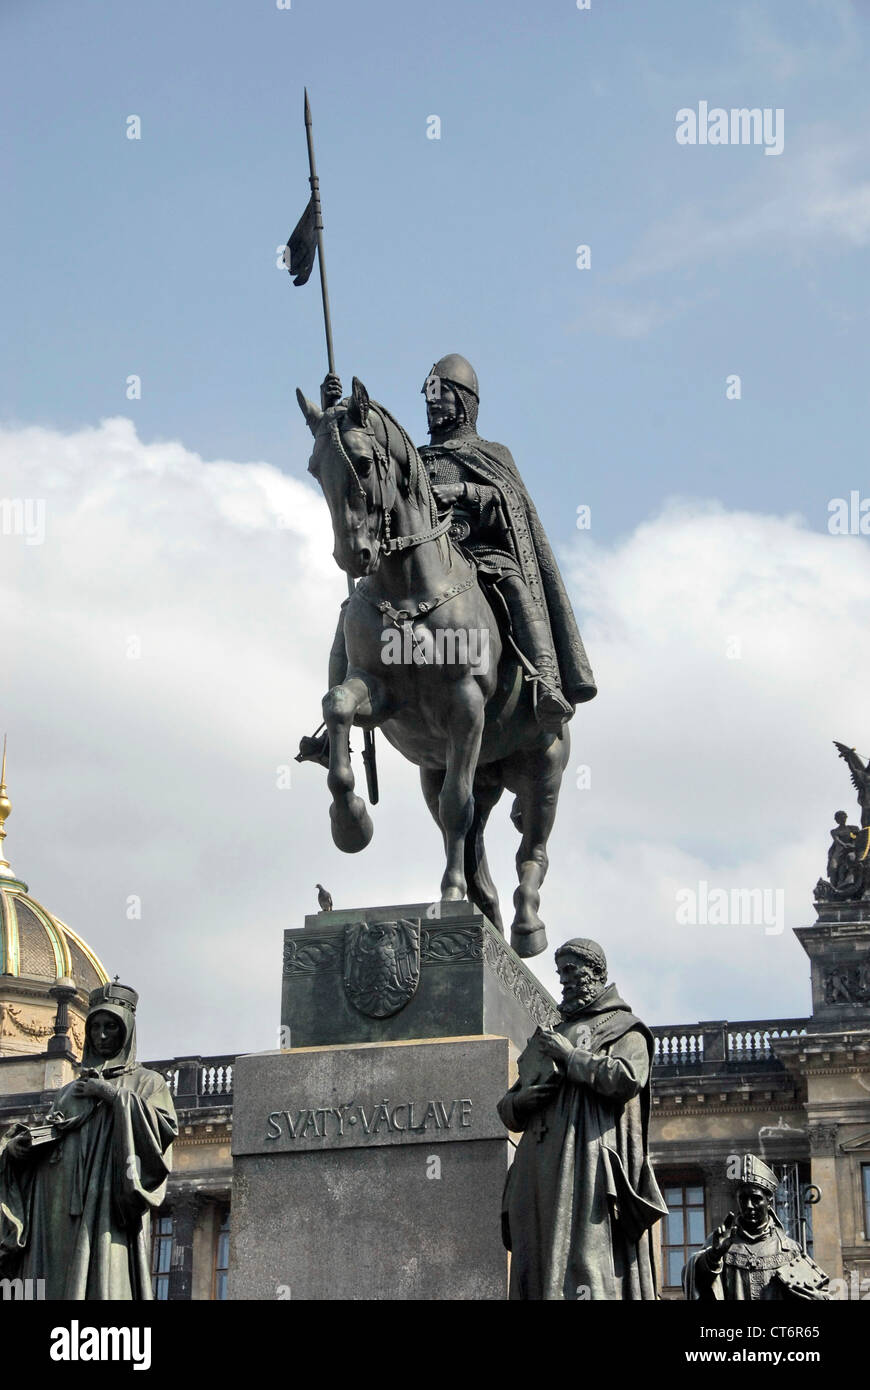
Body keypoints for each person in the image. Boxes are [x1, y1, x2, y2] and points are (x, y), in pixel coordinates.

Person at [301, 356, 596, 759]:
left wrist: (466, 494)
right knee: (353, 608)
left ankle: (545, 681)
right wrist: (335, 413)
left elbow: (509, 501)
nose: (433, 405)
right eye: (429, 398)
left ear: (465, 402)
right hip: (421, 559)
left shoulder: (491, 453)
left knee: (514, 586)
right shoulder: (415, 456)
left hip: (482, 553)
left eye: (442, 397)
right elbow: (365, 465)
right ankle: (331, 735)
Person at [496, 937, 666, 1299]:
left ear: (596, 972)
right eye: (560, 973)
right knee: (537, 1266)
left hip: (585, 1166)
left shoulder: (625, 1028)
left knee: (586, 1261)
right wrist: (522, 1100)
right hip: (539, 1172)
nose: (564, 980)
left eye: (572, 971)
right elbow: (508, 1107)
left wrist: (572, 1058)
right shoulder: (553, 1033)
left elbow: (627, 1078)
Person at [0, 981, 177, 1299]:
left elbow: (163, 1131)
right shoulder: (68, 1091)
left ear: (127, 1031)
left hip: (106, 1203)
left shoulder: (148, 1082)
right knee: (53, 1281)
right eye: (95, 1026)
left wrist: (111, 1095)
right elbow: (51, 1136)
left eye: (111, 1026)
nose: (101, 1035)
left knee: (103, 1277)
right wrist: (17, 1151)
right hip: (56, 1200)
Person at [682, 1154, 830, 1301]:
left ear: (769, 1201)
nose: (749, 1205)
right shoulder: (722, 1242)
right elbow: (695, 1281)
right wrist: (714, 1256)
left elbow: (822, 1294)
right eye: (743, 1198)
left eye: (756, 1199)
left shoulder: (789, 1249)